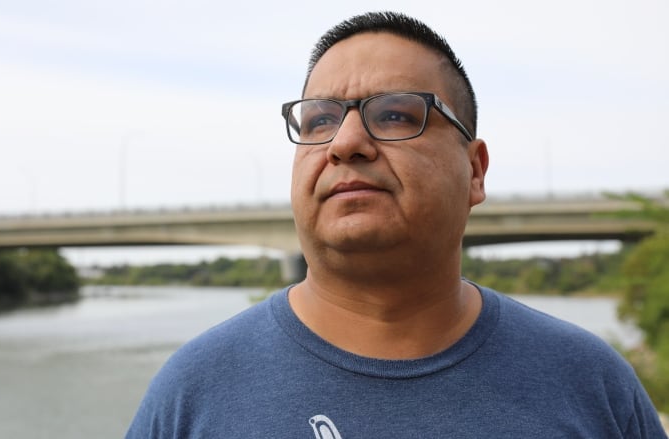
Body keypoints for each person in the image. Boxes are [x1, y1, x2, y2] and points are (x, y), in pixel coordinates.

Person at [126, 11, 667, 438]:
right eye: (319, 120)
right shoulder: (192, 392)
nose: (345, 143)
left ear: (474, 171)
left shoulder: (590, 381)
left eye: (395, 115)